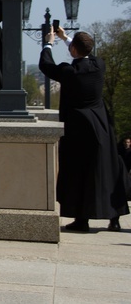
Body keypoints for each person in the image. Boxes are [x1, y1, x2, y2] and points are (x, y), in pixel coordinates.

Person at [39, 27, 129, 232]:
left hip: (78, 128)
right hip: (102, 126)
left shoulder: (70, 72)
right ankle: (114, 217)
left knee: (78, 173)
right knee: (108, 171)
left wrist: (49, 42)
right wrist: (66, 38)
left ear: (73, 51)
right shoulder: (99, 66)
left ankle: (82, 220)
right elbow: (86, 53)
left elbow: (46, 65)